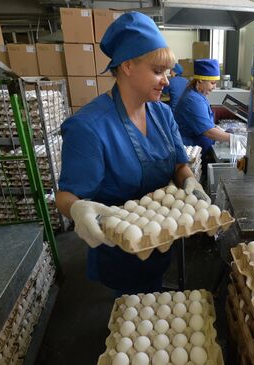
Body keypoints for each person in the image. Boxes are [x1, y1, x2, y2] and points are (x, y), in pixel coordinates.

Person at [55, 12, 210, 295]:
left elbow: (178, 163)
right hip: (121, 248)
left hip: (162, 237)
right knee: (131, 313)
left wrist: (189, 180)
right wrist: (76, 209)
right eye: (157, 71)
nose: (166, 80)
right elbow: (66, 195)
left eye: (168, 72)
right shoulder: (89, 127)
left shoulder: (162, 114)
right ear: (127, 66)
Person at [173, 59, 232, 158]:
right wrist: (233, 139)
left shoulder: (198, 95)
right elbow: (208, 131)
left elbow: (205, 121)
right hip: (191, 151)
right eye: (212, 83)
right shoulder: (193, 100)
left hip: (200, 147)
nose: (214, 87)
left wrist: (220, 131)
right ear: (200, 80)